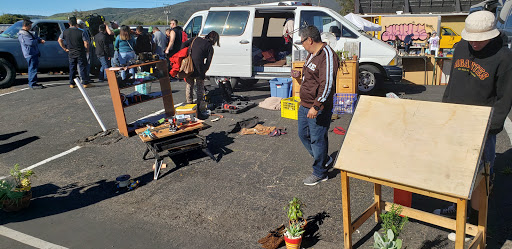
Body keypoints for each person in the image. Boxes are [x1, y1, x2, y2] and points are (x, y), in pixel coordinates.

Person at [434, 10, 512, 241]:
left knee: (480, 176)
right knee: (455, 170)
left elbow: (505, 98)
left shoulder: (504, 57)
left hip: (482, 126)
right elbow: (452, 84)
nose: (474, 44)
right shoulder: (460, 47)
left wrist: (491, 128)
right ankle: (457, 208)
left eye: (480, 39)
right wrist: (445, 110)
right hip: (456, 120)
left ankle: (474, 222)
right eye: (471, 39)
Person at [297, 26, 339, 186]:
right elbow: (311, 77)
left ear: (310, 40)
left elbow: (327, 84)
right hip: (305, 104)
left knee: (318, 139)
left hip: (318, 107)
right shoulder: (311, 54)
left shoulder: (327, 55)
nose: (302, 46)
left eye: (302, 42)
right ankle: (324, 159)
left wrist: (317, 105)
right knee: (303, 135)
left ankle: (320, 172)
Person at [181, 31, 219, 119]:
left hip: (189, 65)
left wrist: (185, 55)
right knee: (200, 86)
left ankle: (189, 103)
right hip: (199, 67)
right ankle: (199, 106)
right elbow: (208, 62)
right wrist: (204, 70)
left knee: (189, 84)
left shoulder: (196, 38)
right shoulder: (210, 47)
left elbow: (184, 44)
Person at [58, 16, 91, 88]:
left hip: (71, 52)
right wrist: (87, 50)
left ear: (69, 23)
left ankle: (72, 83)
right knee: (82, 67)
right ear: (76, 23)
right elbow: (86, 42)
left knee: (72, 67)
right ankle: (85, 82)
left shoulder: (65, 32)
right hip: (80, 51)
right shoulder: (81, 32)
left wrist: (64, 48)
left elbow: (59, 40)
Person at [17, 19, 46, 89]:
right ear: (25, 26)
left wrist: (38, 39)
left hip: (33, 53)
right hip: (30, 53)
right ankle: (32, 84)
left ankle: (34, 82)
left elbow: (34, 37)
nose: (30, 27)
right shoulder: (22, 34)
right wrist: (38, 41)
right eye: (29, 26)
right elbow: (30, 43)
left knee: (33, 68)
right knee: (32, 68)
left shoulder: (27, 32)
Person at [77, 19, 94, 84]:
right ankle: (86, 77)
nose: (83, 25)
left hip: (78, 50)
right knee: (86, 64)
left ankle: (82, 77)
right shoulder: (83, 31)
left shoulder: (76, 31)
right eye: (83, 24)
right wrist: (87, 50)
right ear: (80, 24)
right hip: (85, 50)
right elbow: (86, 42)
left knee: (79, 65)